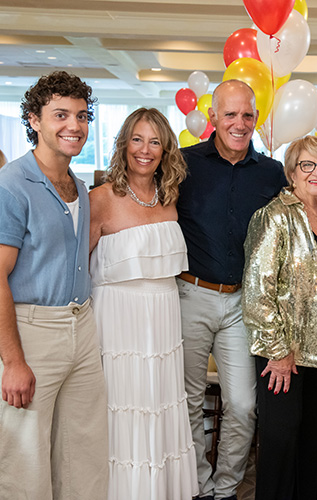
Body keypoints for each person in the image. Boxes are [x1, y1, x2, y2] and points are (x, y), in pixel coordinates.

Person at [177, 79, 287, 500]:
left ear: (256, 119)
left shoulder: (272, 173)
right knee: (187, 402)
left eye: (247, 115)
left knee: (243, 405)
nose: (239, 123)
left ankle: (225, 490)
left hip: (243, 303)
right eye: (230, 114)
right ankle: (199, 486)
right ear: (212, 119)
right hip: (191, 295)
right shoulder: (183, 164)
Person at [0, 71, 108, 499]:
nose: (74, 126)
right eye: (60, 115)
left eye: (81, 116)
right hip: (33, 330)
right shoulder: (12, 185)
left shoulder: (79, 187)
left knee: (84, 451)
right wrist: (13, 361)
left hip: (81, 326)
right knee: (25, 456)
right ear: (34, 120)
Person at [89, 108, 198, 500]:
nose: (145, 149)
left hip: (164, 321)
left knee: (160, 406)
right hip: (117, 324)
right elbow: (75, 271)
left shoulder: (171, 198)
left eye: (154, 141)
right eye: (137, 139)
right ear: (124, 144)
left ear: (165, 149)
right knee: (122, 411)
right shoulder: (100, 199)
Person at [242, 136, 317, 500]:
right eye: (307, 165)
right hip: (283, 351)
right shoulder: (275, 216)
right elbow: (258, 289)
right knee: (280, 440)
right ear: (292, 171)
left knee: (312, 437)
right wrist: (277, 350)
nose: (316, 173)